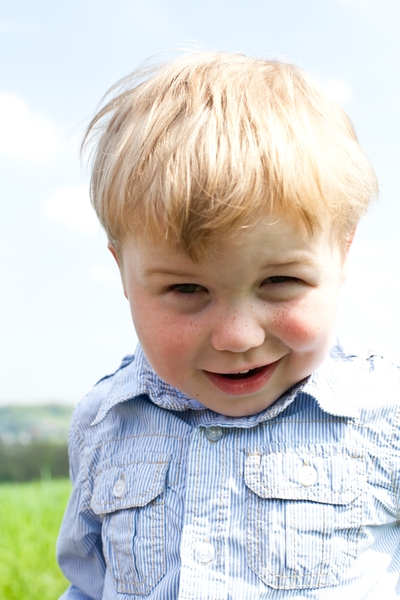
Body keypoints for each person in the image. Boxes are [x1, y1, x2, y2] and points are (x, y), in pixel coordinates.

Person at [56, 51, 400, 599]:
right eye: (187, 289)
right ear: (122, 270)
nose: (238, 337)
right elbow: (89, 585)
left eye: (280, 282)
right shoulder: (104, 425)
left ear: (343, 253)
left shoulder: (386, 415)